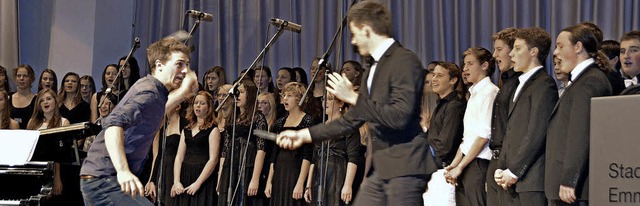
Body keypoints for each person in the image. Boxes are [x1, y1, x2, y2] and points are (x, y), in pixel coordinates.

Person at [276, 2, 433, 205]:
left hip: (406, 166)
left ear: (366, 30)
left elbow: (400, 117)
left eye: (354, 33)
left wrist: (353, 97)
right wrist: (303, 135)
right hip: (383, 167)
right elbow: (350, 120)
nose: (353, 41)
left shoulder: (405, 61)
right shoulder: (373, 68)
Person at [79, 37, 198, 205]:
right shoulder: (149, 92)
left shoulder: (155, 92)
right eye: (179, 64)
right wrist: (123, 171)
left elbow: (159, 110)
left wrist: (183, 92)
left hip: (103, 179)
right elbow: (113, 125)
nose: (185, 71)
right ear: (159, 65)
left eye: (187, 65)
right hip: (104, 179)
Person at [546, 24, 612, 205]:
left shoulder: (590, 81)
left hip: (574, 190)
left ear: (578, 47)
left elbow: (581, 133)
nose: (556, 53)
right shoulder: (582, 81)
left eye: (560, 46)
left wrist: (569, 179)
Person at [494, 27, 558, 205]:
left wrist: (514, 171)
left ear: (533, 51)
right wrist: (502, 167)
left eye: (517, 48)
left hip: (531, 180)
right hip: (512, 180)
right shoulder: (519, 84)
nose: (512, 54)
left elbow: (536, 132)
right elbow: (511, 130)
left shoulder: (544, 84)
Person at [445, 47, 499, 206]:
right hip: (468, 163)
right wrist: (454, 164)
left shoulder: (490, 92)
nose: (465, 69)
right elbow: (467, 137)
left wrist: (460, 166)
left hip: (479, 164)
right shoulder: (473, 94)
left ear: (484, 66)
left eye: (470, 64)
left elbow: (483, 136)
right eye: (464, 64)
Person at [304, 92, 363, 206]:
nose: (325, 102)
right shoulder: (320, 128)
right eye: (323, 99)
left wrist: (348, 185)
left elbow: (353, 158)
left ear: (340, 103)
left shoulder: (348, 126)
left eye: (330, 99)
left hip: (338, 173)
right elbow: (314, 158)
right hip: (319, 175)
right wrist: (308, 185)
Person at [217, 79, 268, 206]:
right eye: (236, 92)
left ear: (249, 95)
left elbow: (261, 149)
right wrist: (220, 178)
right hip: (230, 168)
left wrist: (255, 178)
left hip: (247, 167)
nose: (237, 96)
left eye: (241, 92)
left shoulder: (258, 118)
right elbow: (225, 150)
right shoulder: (231, 117)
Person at [265, 82, 315, 206]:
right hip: (279, 172)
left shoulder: (307, 121)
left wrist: (300, 183)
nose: (285, 98)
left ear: (299, 99)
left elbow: (307, 155)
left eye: (289, 96)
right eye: (284, 95)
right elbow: (274, 154)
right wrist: (269, 181)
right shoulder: (279, 122)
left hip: (295, 171)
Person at [423, 61, 465, 206]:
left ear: (453, 80)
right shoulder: (441, 105)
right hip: (434, 172)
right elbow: (430, 138)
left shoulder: (455, 106)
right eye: (433, 75)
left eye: (439, 75)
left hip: (444, 173)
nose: (434, 79)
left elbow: (444, 146)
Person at [486, 27, 521, 206]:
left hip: (508, 162)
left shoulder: (521, 83)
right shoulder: (505, 81)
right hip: (496, 159)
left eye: (499, 49)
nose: (494, 55)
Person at [171, 91, 221, 205]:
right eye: (196, 103)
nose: (198, 105)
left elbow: (213, 159)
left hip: (202, 178)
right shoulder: (187, 129)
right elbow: (179, 157)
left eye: (202, 103)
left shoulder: (213, 130)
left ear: (208, 107)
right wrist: (176, 181)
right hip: (185, 175)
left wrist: (198, 183)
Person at [27, 88, 71, 201]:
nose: (45, 102)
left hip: (56, 170)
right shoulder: (32, 122)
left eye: (48, 99)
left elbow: (61, 154)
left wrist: (57, 178)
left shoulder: (64, 122)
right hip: (35, 170)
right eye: (41, 100)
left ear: (55, 102)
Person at [10, 64, 37, 129]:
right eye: (19, 76)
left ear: (31, 79)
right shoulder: (8, 98)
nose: (21, 78)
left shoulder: (36, 100)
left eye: (25, 76)